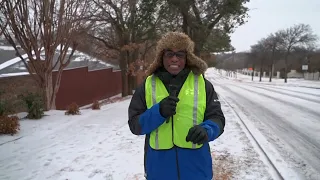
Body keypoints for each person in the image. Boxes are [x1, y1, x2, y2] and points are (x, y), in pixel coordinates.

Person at [128, 31, 225, 180]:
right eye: (169, 54)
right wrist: (158, 112)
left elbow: (217, 118)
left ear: (187, 58)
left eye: (180, 54)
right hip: (159, 171)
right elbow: (135, 125)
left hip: (197, 170)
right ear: (161, 57)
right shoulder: (147, 85)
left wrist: (207, 130)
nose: (174, 59)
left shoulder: (203, 85)